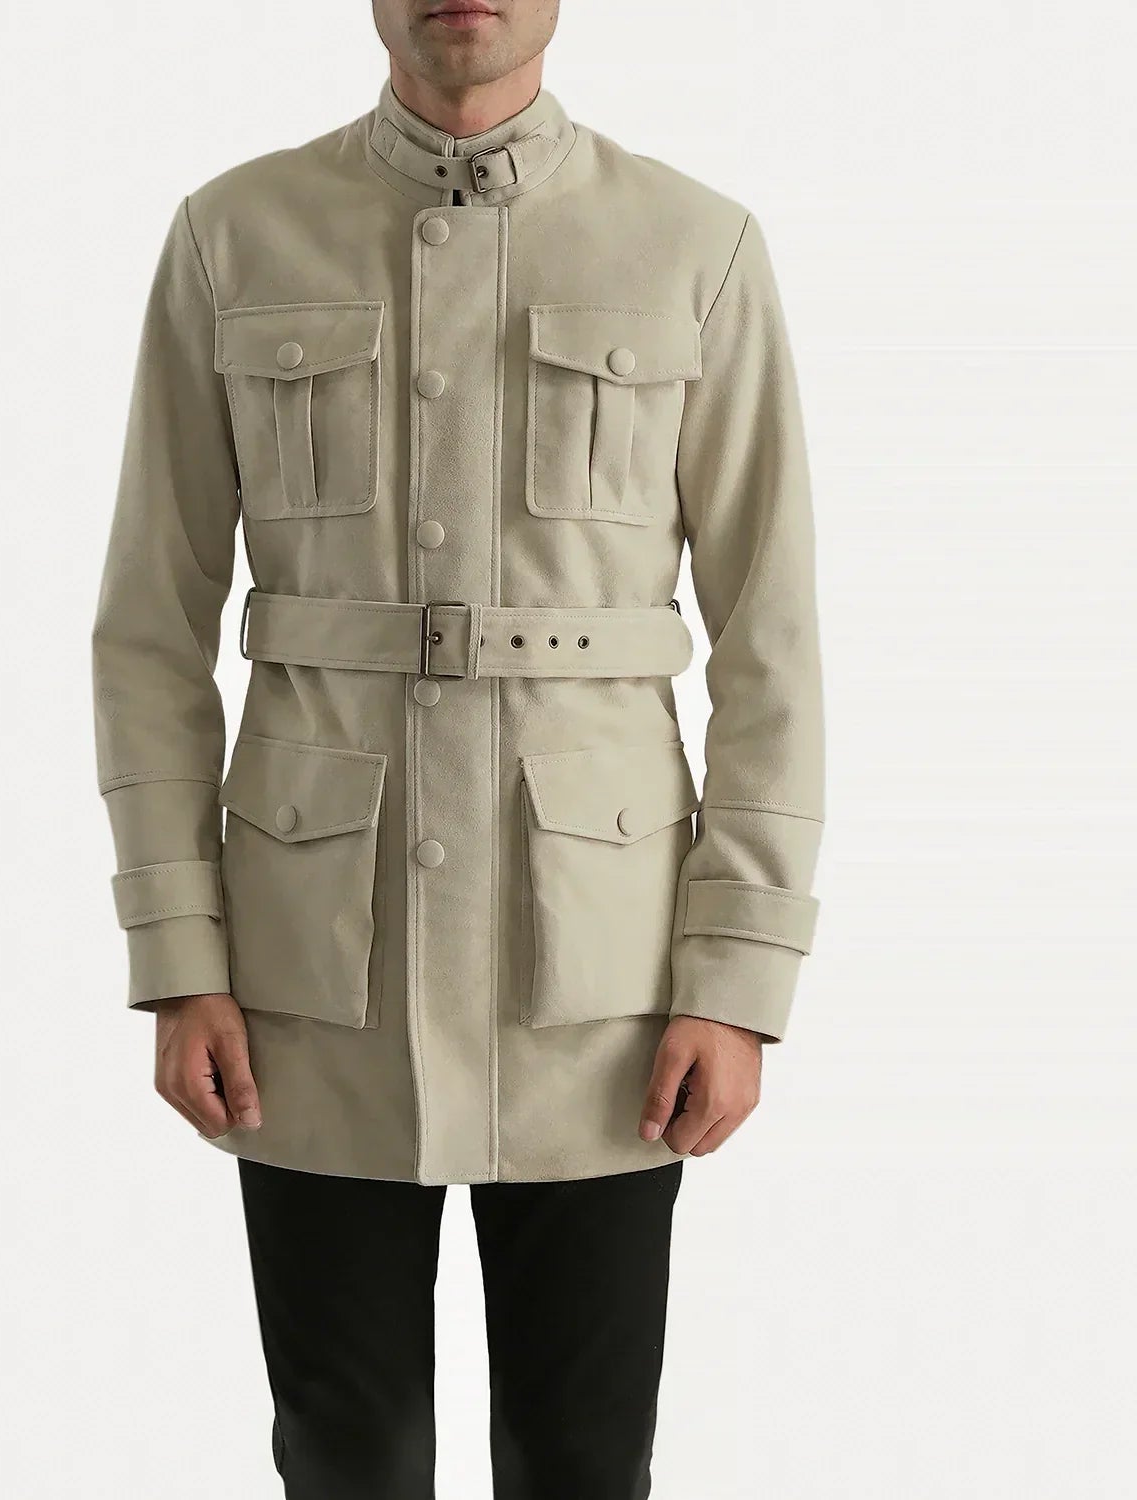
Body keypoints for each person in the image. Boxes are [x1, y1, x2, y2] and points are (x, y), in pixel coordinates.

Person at [91, 1, 823, 1494]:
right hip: (310, 966)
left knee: (582, 1459)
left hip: (603, 974)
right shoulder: (234, 235)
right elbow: (150, 630)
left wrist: (738, 982)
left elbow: (774, 644)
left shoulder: (698, 247)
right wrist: (179, 955)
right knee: (343, 1456)